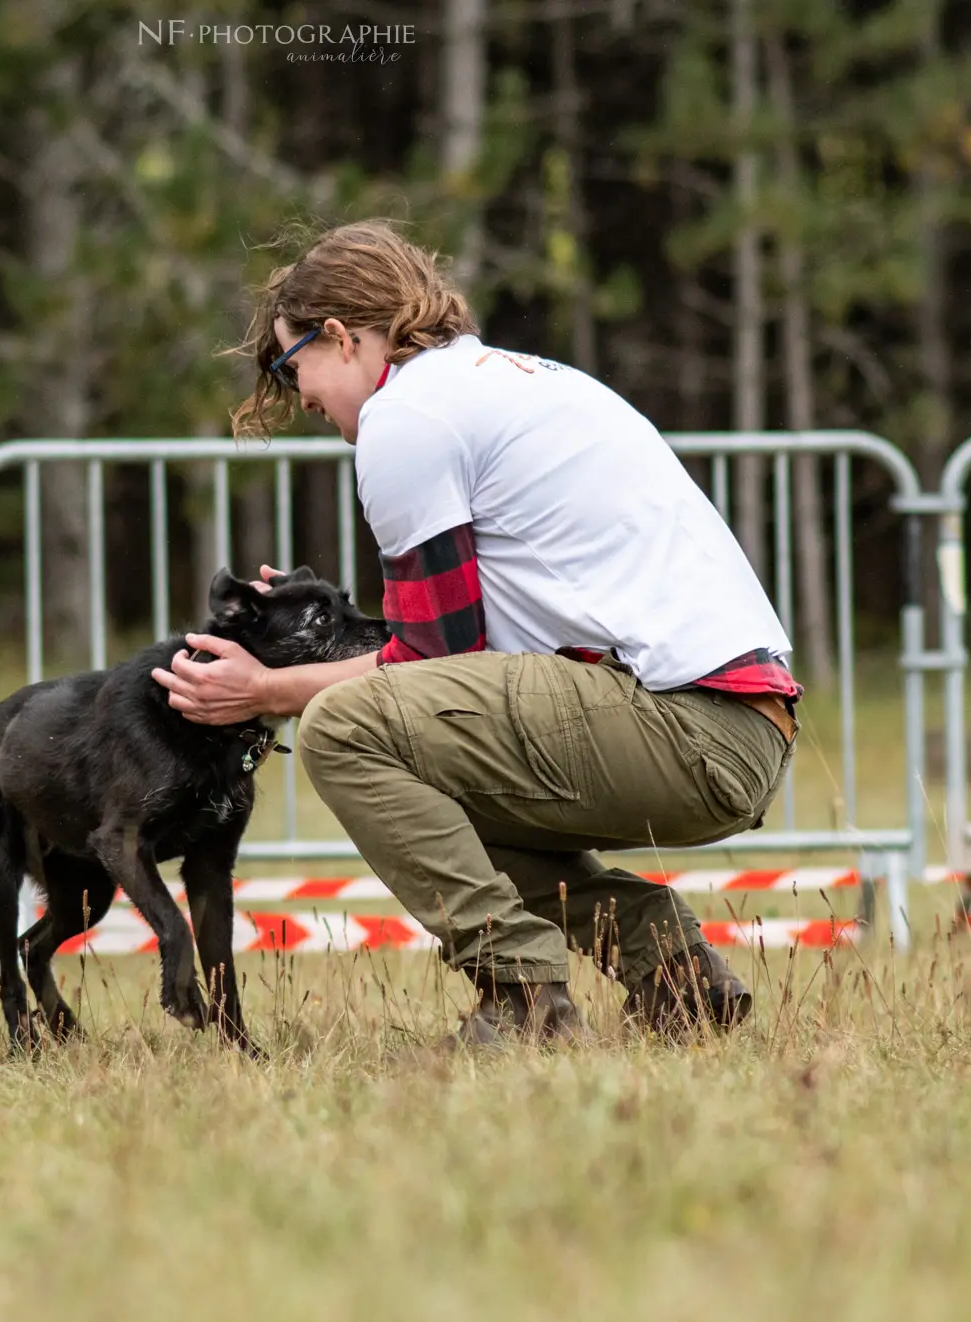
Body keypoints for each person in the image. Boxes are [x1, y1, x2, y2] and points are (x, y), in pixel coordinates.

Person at [149, 219, 799, 1045]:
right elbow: (449, 655)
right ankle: (667, 966)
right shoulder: (503, 382)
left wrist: (267, 690)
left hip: (687, 723)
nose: (298, 394)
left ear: (343, 338)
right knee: (423, 768)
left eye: (291, 363)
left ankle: (523, 998)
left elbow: (431, 661)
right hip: (735, 722)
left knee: (346, 732)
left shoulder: (406, 418)